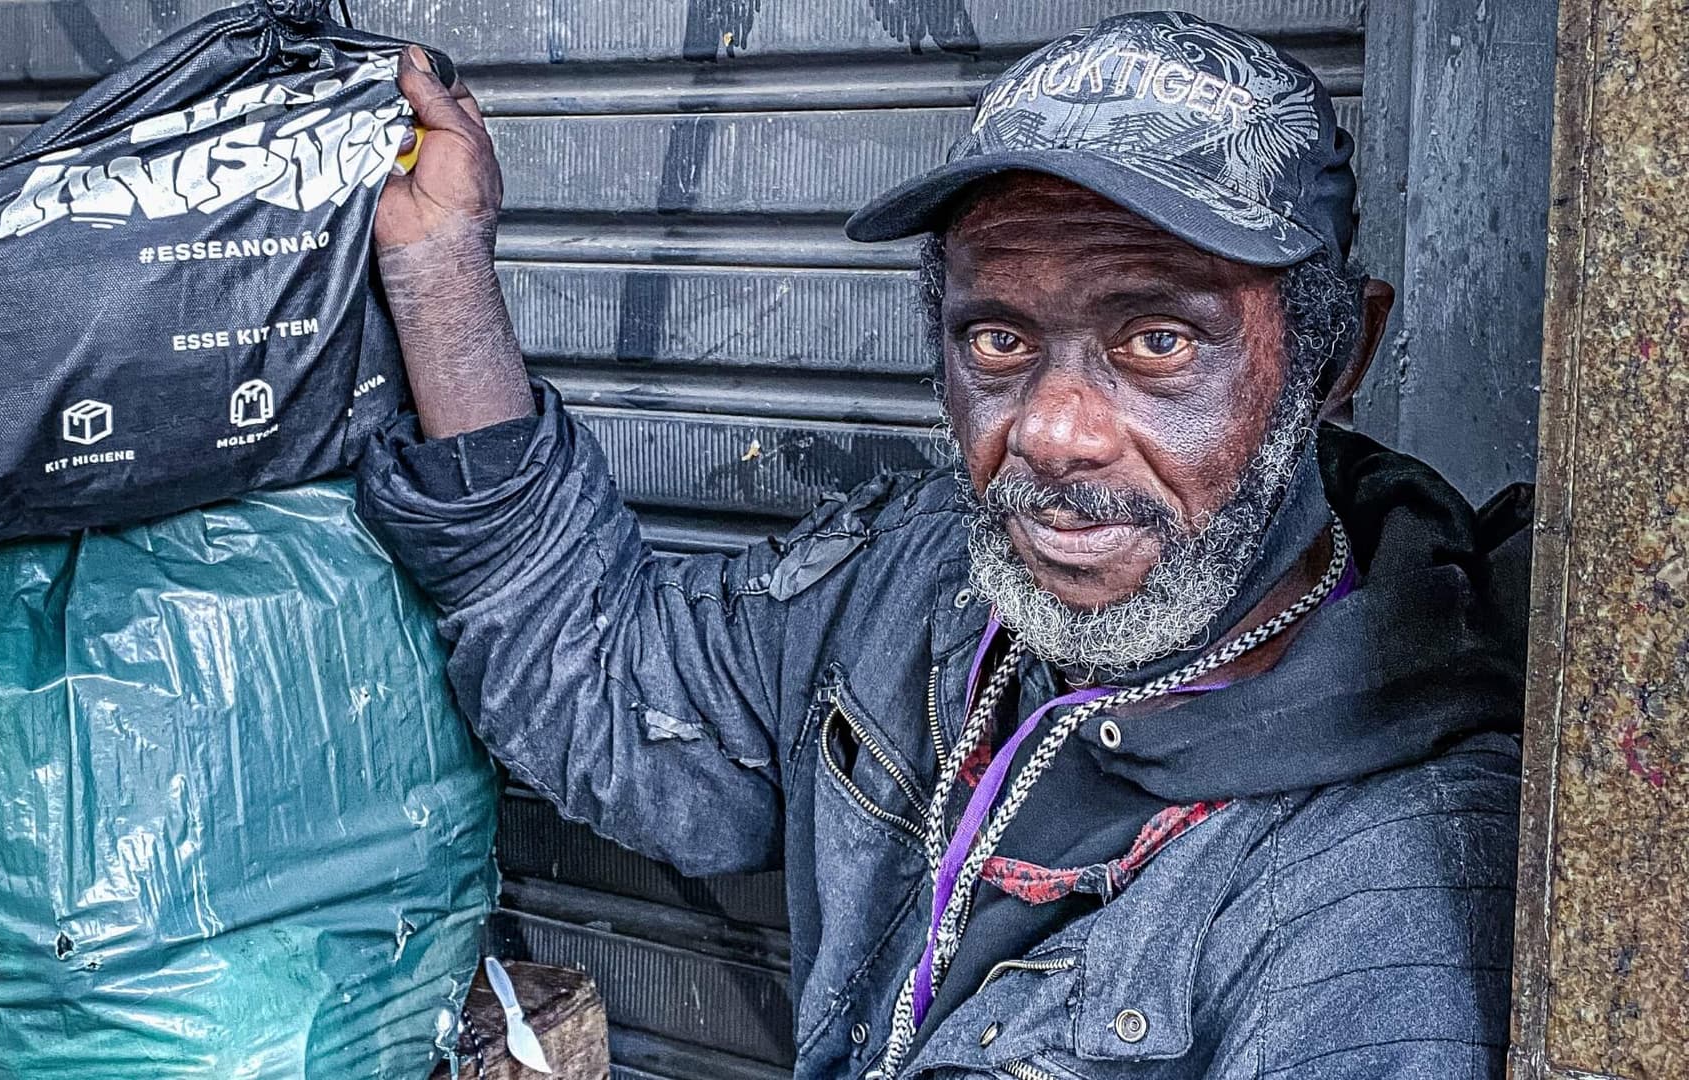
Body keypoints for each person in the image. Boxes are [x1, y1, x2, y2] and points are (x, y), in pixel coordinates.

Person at [357, 12, 1528, 1079]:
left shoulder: (1382, 910)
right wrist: (440, 274)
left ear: (1333, 363)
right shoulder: (925, 582)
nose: (1054, 432)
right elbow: (615, 692)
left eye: (1160, 338)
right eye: (1001, 340)